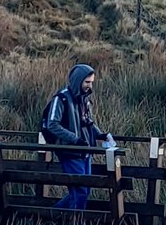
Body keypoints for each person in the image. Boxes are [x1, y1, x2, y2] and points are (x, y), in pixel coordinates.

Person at [41, 63, 113, 210]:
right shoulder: (61, 99)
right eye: (87, 82)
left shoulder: (84, 99)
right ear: (77, 81)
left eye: (91, 82)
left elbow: (88, 122)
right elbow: (52, 124)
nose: (90, 86)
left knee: (84, 191)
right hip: (69, 151)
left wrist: (101, 135)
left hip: (85, 151)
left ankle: (53, 216)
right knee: (80, 191)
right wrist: (75, 139)